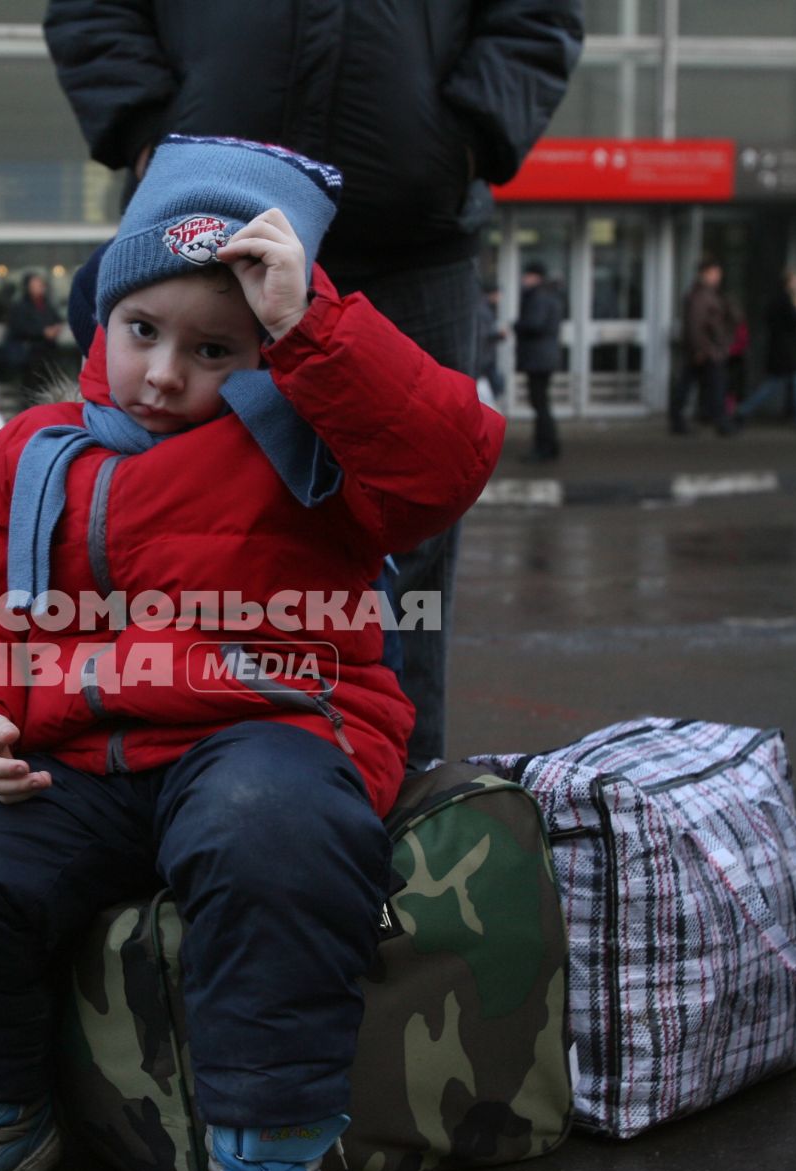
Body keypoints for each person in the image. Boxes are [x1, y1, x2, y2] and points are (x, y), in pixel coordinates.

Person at [0, 136, 502, 1171]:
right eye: (142, 330)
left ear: (265, 348)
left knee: (275, 834)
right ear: (100, 318)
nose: (163, 375)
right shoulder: (37, 450)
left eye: (213, 349)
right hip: (76, 748)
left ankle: (266, 1168)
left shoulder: (313, 440)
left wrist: (320, 333)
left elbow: (446, 462)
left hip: (268, 731)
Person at [45, 0, 583, 769]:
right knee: (144, 498)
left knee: (414, 547)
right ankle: (159, 781)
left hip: (406, 239)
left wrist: (458, 143)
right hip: (204, 228)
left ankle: (392, 792)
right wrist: (146, 135)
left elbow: (538, 15)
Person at [732, 270, 796, 431]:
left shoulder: (777, 300)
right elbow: (792, 321)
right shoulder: (785, 301)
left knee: (775, 385)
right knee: (794, 383)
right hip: (787, 352)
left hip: (783, 351)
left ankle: (744, 410)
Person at [670, 258, 733, 436]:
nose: (718, 277)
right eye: (715, 273)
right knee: (713, 385)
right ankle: (720, 422)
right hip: (706, 350)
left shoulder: (707, 293)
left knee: (696, 384)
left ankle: (708, 419)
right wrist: (699, 349)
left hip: (706, 350)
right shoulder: (701, 296)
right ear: (705, 274)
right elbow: (695, 324)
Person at [514, 261, 565, 461]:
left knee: (540, 404)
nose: (523, 279)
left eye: (527, 275)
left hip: (538, 358)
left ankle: (544, 448)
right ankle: (549, 445)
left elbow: (534, 324)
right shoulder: (549, 295)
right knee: (542, 403)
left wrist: (517, 325)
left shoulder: (539, 297)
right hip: (544, 357)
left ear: (536, 277)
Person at [2, 271, 64, 384]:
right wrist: (43, 332)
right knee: (30, 386)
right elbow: (19, 327)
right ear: (28, 287)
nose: (40, 287)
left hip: (48, 354)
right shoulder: (20, 306)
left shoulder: (47, 304)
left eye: (41, 284)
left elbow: (57, 319)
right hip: (29, 356)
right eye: (36, 284)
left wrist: (55, 328)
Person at [477, 280, 507, 405]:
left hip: (484, 355)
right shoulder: (483, 310)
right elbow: (482, 334)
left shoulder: (484, 308)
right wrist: (498, 335)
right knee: (494, 386)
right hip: (484, 357)